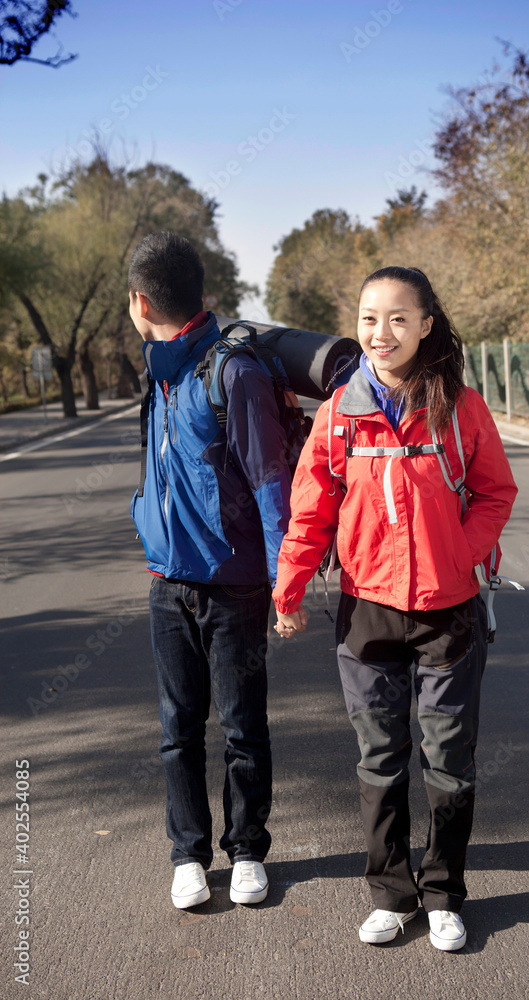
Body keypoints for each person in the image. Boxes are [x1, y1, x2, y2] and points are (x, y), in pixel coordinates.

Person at [272, 266, 517, 950]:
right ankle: (389, 892)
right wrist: (286, 590)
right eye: (369, 318)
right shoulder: (336, 416)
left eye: (398, 318)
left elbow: (496, 492)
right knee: (379, 760)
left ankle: (442, 894)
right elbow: (309, 512)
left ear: (426, 325)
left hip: (449, 612)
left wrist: (458, 552)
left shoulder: (459, 408)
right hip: (366, 612)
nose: (382, 333)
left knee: (448, 762)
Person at [128, 231, 292, 910]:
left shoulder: (234, 373)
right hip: (168, 585)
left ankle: (248, 850)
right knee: (178, 729)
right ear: (203, 293)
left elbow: (270, 485)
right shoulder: (160, 371)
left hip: (236, 588)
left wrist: (286, 584)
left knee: (242, 725)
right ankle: (188, 855)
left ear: (139, 302)